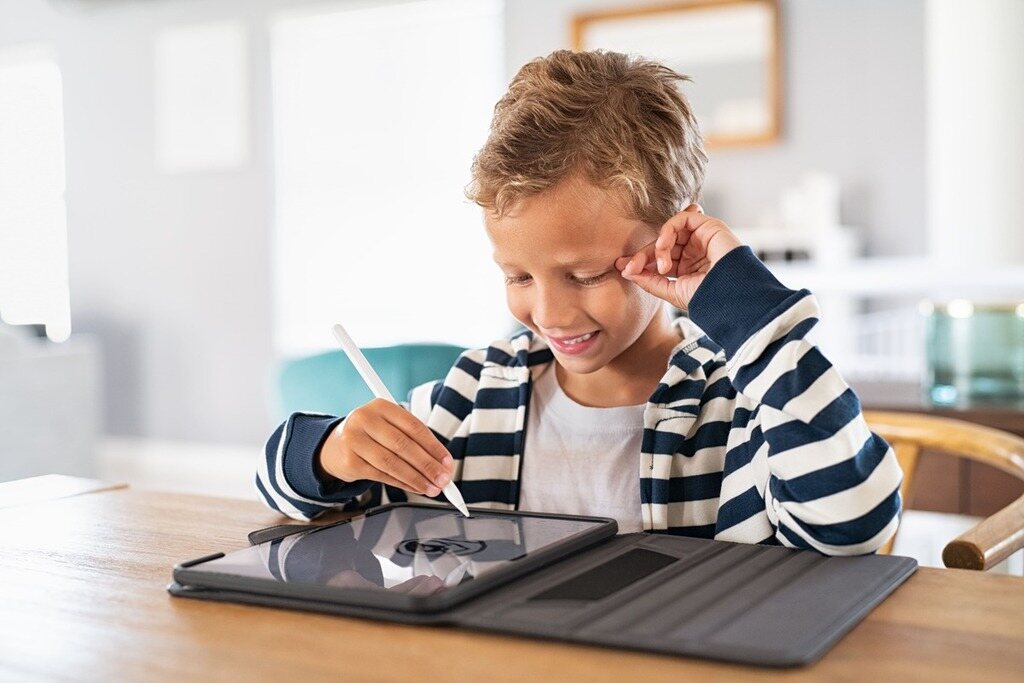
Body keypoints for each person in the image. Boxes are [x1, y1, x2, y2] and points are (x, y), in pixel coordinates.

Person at [257, 50, 901, 555]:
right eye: (518, 277)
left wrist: (746, 308)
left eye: (587, 275)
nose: (551, 315)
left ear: (672, 241)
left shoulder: (741, 405)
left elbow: (855, 522)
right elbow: (283, 487)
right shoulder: (474, 395)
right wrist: (331, 451)